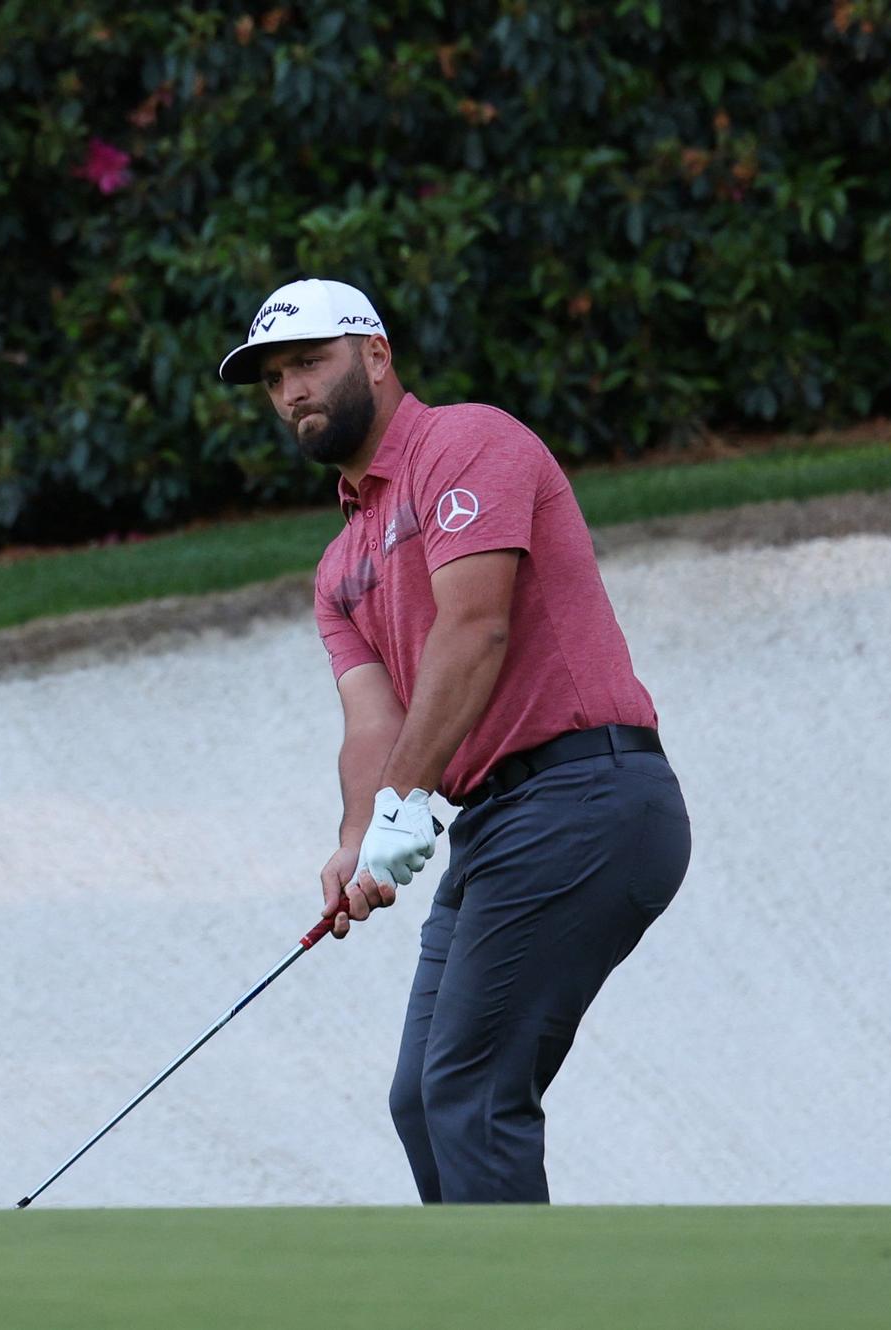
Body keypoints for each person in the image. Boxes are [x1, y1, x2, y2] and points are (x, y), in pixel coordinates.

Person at [217, 278, 693, 1204]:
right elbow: (373, 723)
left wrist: (404, 805)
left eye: (310, 362)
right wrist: (358, 840)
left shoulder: (466, 444)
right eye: (274, 379)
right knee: (421, 1100)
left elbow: (475, 630)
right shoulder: (339, 566)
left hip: (589, 796)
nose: (292, 392)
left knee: (471, 1091)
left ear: (377, 356)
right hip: (502, 826)